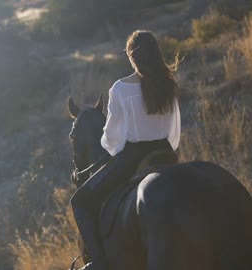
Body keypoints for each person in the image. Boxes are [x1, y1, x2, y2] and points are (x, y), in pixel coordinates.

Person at [70, 30, 181, 270]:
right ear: (156, 53)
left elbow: (112, 140)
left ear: (131, 56)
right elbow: (174, 131)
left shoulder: (120, 89)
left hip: (133, 157)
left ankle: (97, 265)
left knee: (79, 200)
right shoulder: (168, 83)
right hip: (166, 154)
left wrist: (111, 150)